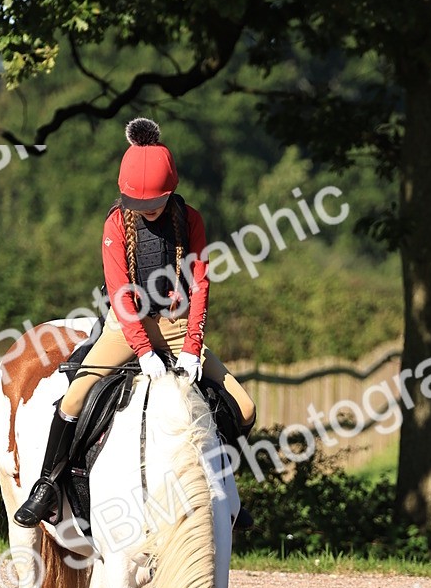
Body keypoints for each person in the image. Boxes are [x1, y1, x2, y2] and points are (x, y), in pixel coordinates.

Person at [14, 117, 256, 528]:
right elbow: (120, 293)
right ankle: (47, 486)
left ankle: (225, 490)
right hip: (127, 328)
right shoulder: (114, 223)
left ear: (171, 190)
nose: (146, 212)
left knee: (246, 408)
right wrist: (144, 351)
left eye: (154, 205)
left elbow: (200, 285)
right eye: (139, 206)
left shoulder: (190, 219)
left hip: (179, 327)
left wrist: (194, 348)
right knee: (74, 400)